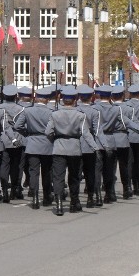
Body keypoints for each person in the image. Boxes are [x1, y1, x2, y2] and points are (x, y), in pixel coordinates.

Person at [45, 87, 97, 215]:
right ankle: (74, 202)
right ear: (75, 100)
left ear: (62, 100)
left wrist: (55, 140)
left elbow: (48, 132)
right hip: (74, 148)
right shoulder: (80, 115)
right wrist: (95, 147)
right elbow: (86, 134)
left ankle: (59, 204)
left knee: (58, 177)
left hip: (59, 147)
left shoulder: (55, 114)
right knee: (74, 177)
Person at [22, 87, 56, 209]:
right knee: (47, 172)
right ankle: (47, 196)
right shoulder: (52, 112)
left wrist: (28, 132)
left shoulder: (27, 111)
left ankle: (35, 196)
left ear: (36, 98)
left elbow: (18, 125)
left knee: (33, 172)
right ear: (47, 100)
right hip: (47, 144)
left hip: (32, 143)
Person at [0, 85, 26, 201]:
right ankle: (14, 189)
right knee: (16, 166)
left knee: (4, 165)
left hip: (3, 138)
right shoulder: (21, 109)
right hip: (17, 138)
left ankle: (4, 189)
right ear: (15, 96)